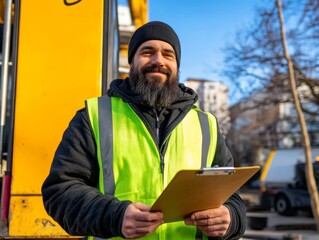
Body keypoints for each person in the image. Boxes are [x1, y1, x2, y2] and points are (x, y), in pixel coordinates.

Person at [42, 21, 246, 240]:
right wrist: (115, 217)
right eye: (147, 52)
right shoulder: (93, 116)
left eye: (168, 54)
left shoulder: (206, 124)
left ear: (177, 65)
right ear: (132, 62)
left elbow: (231, 196)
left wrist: (231, 218)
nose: (158, 60)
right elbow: (60, 192)